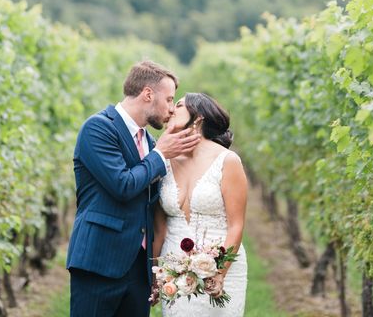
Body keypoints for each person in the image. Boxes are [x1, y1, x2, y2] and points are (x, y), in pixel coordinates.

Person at [66, 61, 201, 317]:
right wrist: (161, 154)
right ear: (148, 94)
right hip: (99, 261)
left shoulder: (148, 141)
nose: (172, 110)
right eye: (170, 100)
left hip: (138, 267)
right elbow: (123, 185)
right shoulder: (98, 128)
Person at [153, 92, 248, 316]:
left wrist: (220, 273)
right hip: (174, 269)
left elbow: (236, 225)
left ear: (198, 117)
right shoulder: (163, 161)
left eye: (178, 104)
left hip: (220, 266)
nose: (171, 110)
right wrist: (154, 275)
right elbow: (160, 228)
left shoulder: (227, 161)